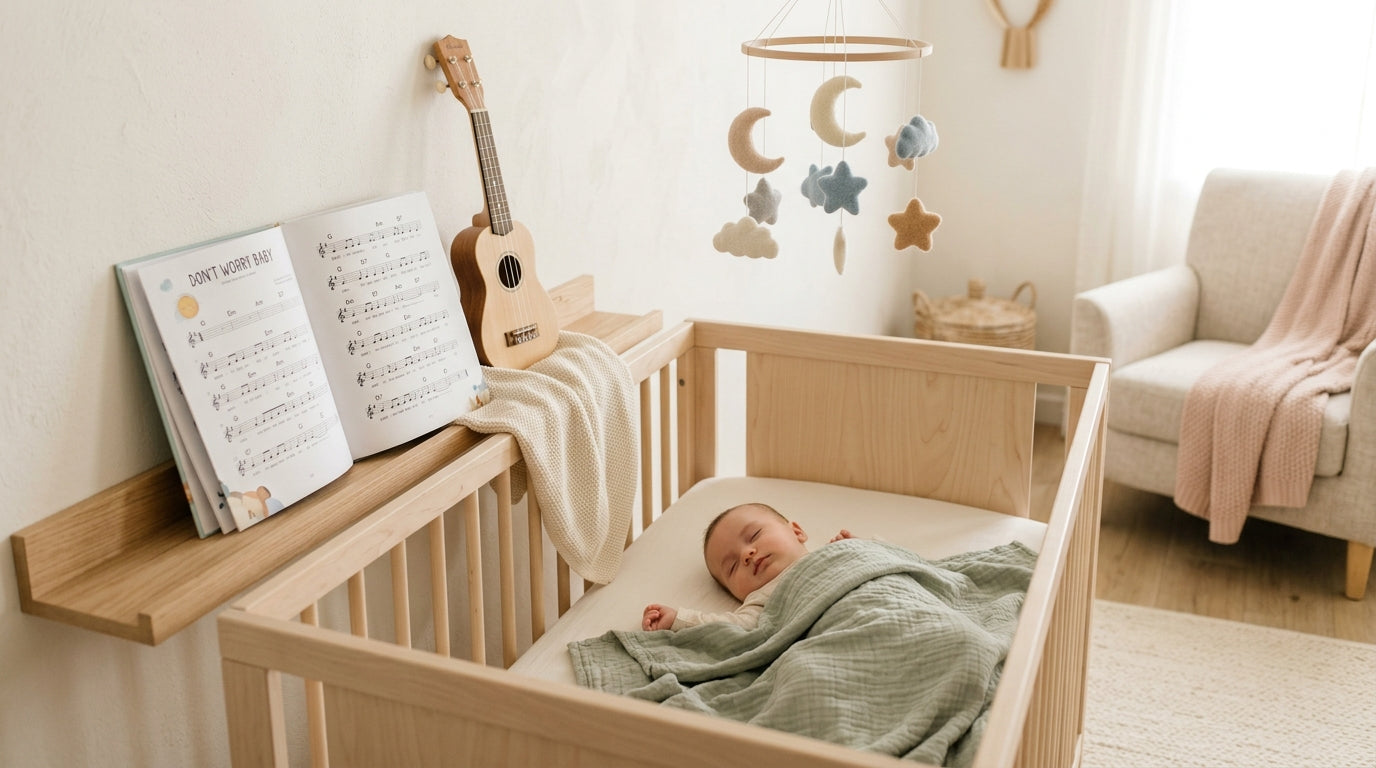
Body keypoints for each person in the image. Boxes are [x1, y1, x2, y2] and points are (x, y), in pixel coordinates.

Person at [641, 502, 853, 631]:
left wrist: (863, 546)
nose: (746, 554)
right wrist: (678, 620)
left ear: (797, 532)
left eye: (754, 535)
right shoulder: (761, 601)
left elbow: (882, 563)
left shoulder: (835, 552)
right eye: (732, 567)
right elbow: (729, 628)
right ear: (736, 594)